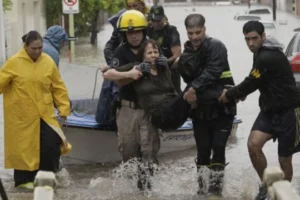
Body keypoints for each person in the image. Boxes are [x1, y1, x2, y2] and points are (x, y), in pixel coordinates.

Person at [219, 21, 300, 200]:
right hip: (269, 111)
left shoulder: (267, 56)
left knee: (284, 159)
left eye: (254, 38)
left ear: (263, 36)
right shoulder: (259, 53)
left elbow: (251, 82)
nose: (250, 43)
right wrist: (243, 92)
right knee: (253, 145)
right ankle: (267, 186)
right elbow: (257, 80)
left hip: (289, 111)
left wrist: (231, 94)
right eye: (247, 39)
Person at [2, 31, 71, 189]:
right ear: (26, 47)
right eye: (34, 48)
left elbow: (58, 87)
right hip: (22, 116)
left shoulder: (47, 61)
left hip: (44, 114)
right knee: (23, 149)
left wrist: (63, 110)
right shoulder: (14, 62)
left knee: (52, 146)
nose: (38, 51)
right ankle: (23, 183)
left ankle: (47, 179)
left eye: (40, 48)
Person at [177, 14, 236, 196]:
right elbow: (187, 76)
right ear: (186, 32)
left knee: (218, 147)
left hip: (222, 108)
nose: (195, 37)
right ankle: (202, 190)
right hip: (200, 110)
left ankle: (216, 191)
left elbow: (213, 71)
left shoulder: (216, 46)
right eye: (190, 33)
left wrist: (194, 88)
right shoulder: (186, 54)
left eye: (198, 32)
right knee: (202, 151)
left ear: (204, 29)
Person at [102, 10, 160, 191]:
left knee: (148, 151)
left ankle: (147, 188)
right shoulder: (120, 52)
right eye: (130, 32)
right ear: (124, 34)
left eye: (137, 32)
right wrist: (132, 73)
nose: (134, 36)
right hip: (128, 109)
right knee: (128, 150)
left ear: (144, 31)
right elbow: (116, 78)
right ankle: (131, 190)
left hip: (149, 109)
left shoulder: (152, 49)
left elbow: (166, 72)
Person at [147, 5, 182, 93]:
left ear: (164, 18)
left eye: (158, 21)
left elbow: (177, 54)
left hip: (170, 69)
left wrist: (166, 62)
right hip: (152, 69)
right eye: (153, 21)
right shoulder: (148, 30)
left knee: (174, 94)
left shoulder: (171, 31)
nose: (155, 24)